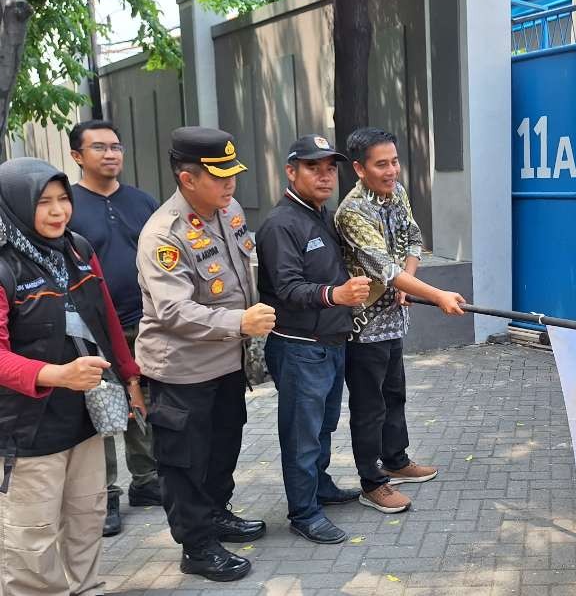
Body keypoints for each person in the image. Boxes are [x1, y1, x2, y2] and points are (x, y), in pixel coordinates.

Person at [136, 127, 276, 581]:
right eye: (220, 176)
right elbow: (173, 311)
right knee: (185, 461)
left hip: (225, 362)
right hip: (180, 369)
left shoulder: (228, 209)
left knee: (223, 446)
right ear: (187, 178)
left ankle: (215, 515)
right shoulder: (163, 234)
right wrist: (239, 323)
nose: (231, 183)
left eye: (233, 173)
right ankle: (196, 546)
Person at [0, 158, 141, 595]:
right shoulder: (5, 267)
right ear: (16, 206)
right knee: (32, 534)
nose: (59, 211)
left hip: (84, 416)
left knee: (87, 516)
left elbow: (107, 323)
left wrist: (131, 378)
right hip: (26, 428)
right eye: (44, 203)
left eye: (63, 199)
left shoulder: (78, 248)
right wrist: (56, 373)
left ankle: (87, 588)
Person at [335, 127, 465, 514]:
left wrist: (410, 282)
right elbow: (383, 267)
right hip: (363, 327)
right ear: (359, 168)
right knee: (368, 405)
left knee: (395, 395)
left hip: (394, 318)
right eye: (381, 164)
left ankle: (396, 459)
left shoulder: (398, 193)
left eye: (394, 161)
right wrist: (436, 293)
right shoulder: (351, 212)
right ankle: (372, 482)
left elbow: (411, 238)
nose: (392, 170)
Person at [256, 134, 372, 544]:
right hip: (299, 346)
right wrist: (335, 295)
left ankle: (318, 487)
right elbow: (287, 288)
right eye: (312, 167)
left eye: (329, 168)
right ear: (291, 171)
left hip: (330, 342)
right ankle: (304, 512)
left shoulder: (321, 214)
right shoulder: (279, 223)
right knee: (301, 435)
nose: (324, 176)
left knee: (323, 426)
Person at [67, 119, 162, 537]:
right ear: (76, 156)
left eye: (116, 146)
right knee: (101, 408)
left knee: (146, 402)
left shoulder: (142, 202)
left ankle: (146, 480)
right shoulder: (66, 204)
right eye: (99, 147)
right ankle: (105, 493)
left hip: (145, 322)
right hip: (90, 328)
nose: (111, 154)